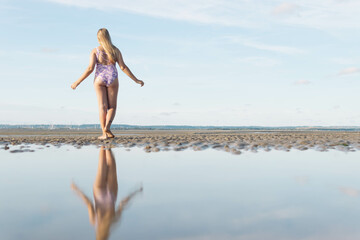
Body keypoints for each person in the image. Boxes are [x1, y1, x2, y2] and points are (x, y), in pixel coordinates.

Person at [71, 28, 144, 140]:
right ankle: (107, 127)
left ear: (98, 38)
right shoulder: (115, 50)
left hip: (99, 78)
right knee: (112, 107)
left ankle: (104, 133)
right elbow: (123, 67)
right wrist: (136, 80)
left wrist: (77, 82)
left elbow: (90, 68)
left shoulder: (95, 51)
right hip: (112, 77)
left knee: (102, 107)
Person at [71, 146, 143, 240]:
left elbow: (122, 204)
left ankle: (107, 143)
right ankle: (104, 141)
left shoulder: (113, 222)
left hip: (111, 195)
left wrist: (135, 192)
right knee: (102, 162)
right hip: (99, 193)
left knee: (111, 162)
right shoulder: (95, 222)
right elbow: (88, 203)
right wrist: (76, 189)